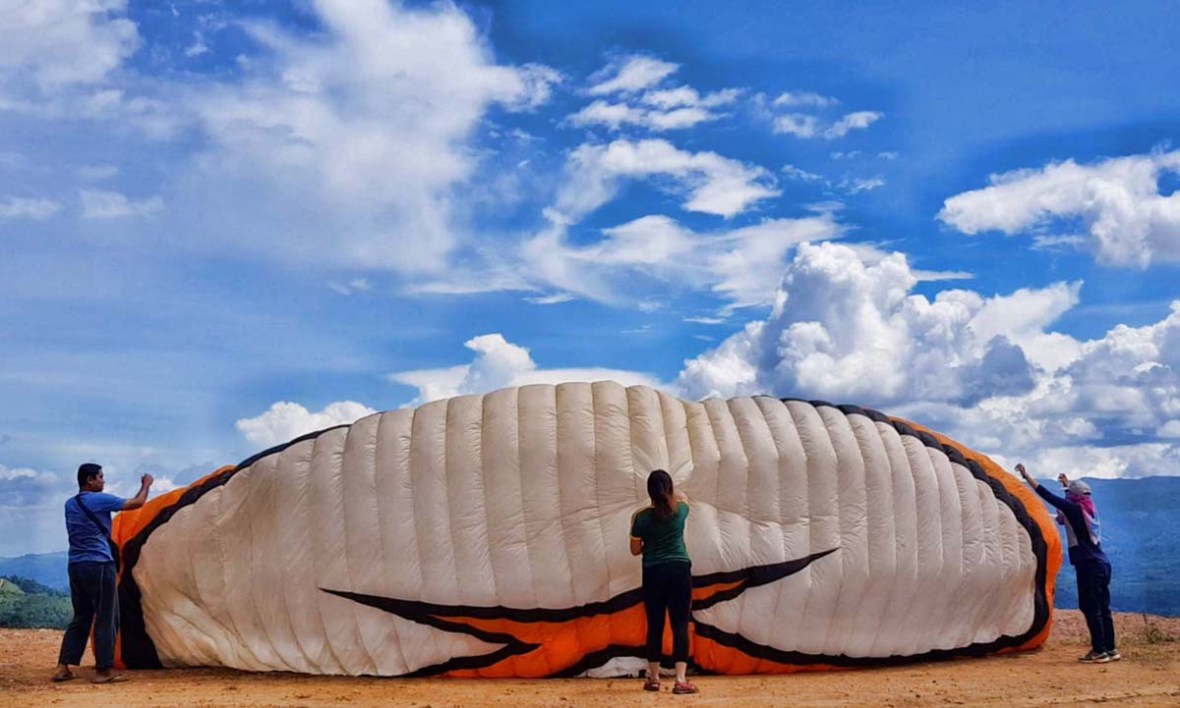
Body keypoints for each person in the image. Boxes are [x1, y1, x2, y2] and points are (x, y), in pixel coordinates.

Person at [52, 463, 153, 684]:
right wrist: (146, 485)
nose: (103, 481)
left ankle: (63, 667)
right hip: (99, 563)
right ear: (90, 480)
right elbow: (137, 503)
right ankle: (103, 671)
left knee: (81, 616)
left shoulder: (70, 504)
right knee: (107, 615)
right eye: (100, 477)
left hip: (76, 564)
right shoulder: (99, 500)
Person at [1016, 463, 1119, 663]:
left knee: (1090, 606)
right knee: (1103, 607)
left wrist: (1026, 476)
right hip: (1102, 564)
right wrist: (1067, 486)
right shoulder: (1088, 512)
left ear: (1073, 497)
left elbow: (1047, 495)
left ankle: (1099, 650)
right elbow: (1067, 508)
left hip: (1088, 564)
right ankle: (1110, 648)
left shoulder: (1073, 509)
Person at [629, 469, 698, 694]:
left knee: (655, 626)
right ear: (669, 488)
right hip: (679, 569)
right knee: (680, 624)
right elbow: (683, 497)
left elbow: (635, 550)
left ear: (648, 491)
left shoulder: (639, 517)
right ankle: (680, 680)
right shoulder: (680, 510)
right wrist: (671, 492)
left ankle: (655, 678)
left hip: (653, 572)